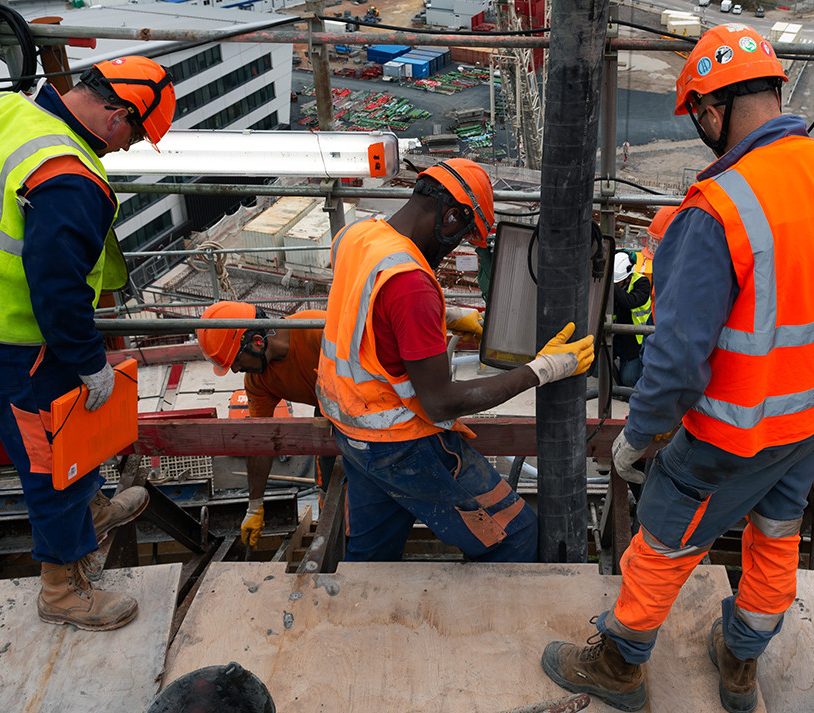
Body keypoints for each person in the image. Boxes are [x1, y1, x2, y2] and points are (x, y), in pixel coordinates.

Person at [542, 24, 814, 713]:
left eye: (698, 115)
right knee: (775, 530)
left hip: (734, 428)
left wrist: (636, 436)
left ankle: (618, 664)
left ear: (711, 108)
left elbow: (676, 364)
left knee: (667, 529)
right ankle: (739, 663)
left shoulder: (719, 208)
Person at [0, 56, 176, 631]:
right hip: (21, 336)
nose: (125, 149)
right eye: (134, 135)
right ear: (115, 113)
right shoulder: (69, 176)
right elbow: (58, 288)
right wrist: (88, 361)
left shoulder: (0, 109)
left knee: (72, 433)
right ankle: (62, 587)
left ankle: (89, 509)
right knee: (50, 459)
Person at [316, 158, 594, 563]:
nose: (451, 250)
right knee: (514, 536)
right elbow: (441, 402)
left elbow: (367, 308)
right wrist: (543, 369)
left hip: (353, 433)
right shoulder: (411, 283)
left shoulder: (356, 236)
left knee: (371, 556)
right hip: (402, 448)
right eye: (461, 236)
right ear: (451, 216)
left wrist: (445, 317)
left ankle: (358, 616)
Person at [196, 301, 327, 549]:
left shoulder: (317, 331)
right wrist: (254, 505)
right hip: (327, 405)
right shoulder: (258, 380)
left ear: (257, 341)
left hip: (369, 402)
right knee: (329, 477)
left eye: (236, 359)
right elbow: (261, 439)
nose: (235, 369)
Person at [609, 250, 652, 392]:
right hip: (616, 335)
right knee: (596, 368)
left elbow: (630, 301)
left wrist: (610, 285)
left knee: (629, 379)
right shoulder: (617, 286)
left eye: (617, 281)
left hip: (635, 339)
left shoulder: (642, 283)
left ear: (628, 277)